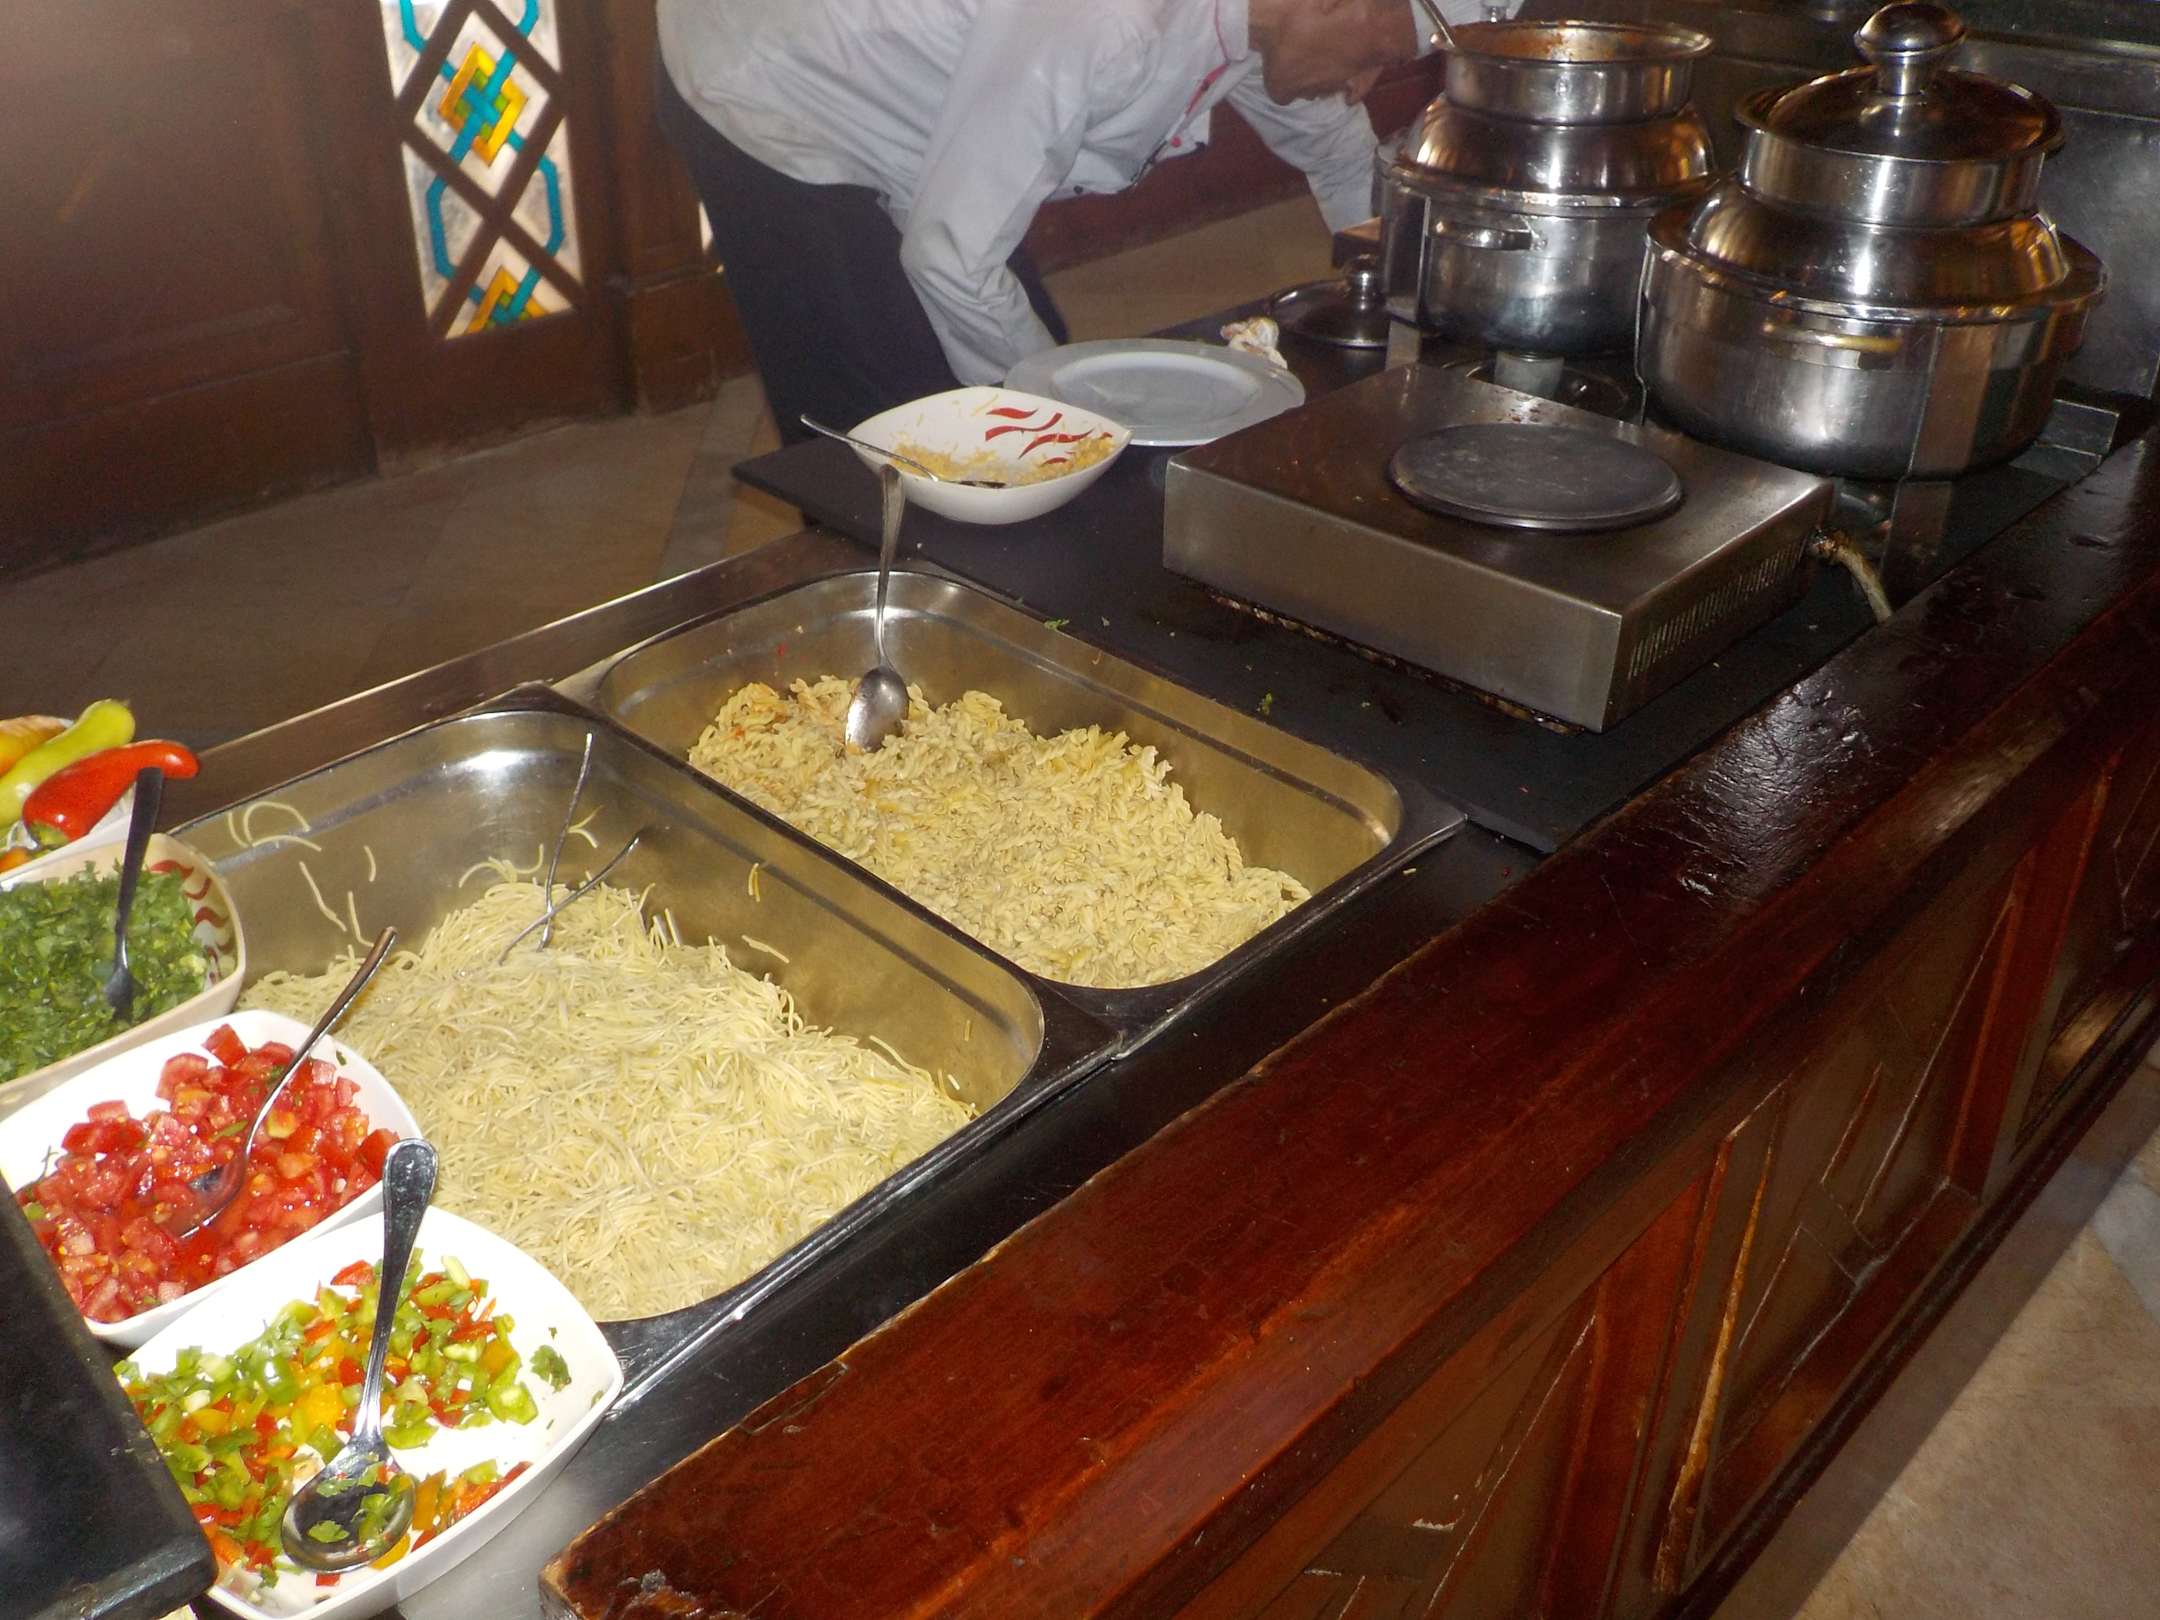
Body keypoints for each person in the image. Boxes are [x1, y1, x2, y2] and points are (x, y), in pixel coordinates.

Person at [655, 0, 1490, 441]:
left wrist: (1408, 327)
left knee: (1017, 367)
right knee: (890, 441)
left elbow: (1340, 157)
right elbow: (949, 258)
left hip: (928, 106)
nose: (1361, 86)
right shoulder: (1108, 19)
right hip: (777, 85)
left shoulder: (1268, 16)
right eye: (1379, 55)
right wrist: (1065, 437)